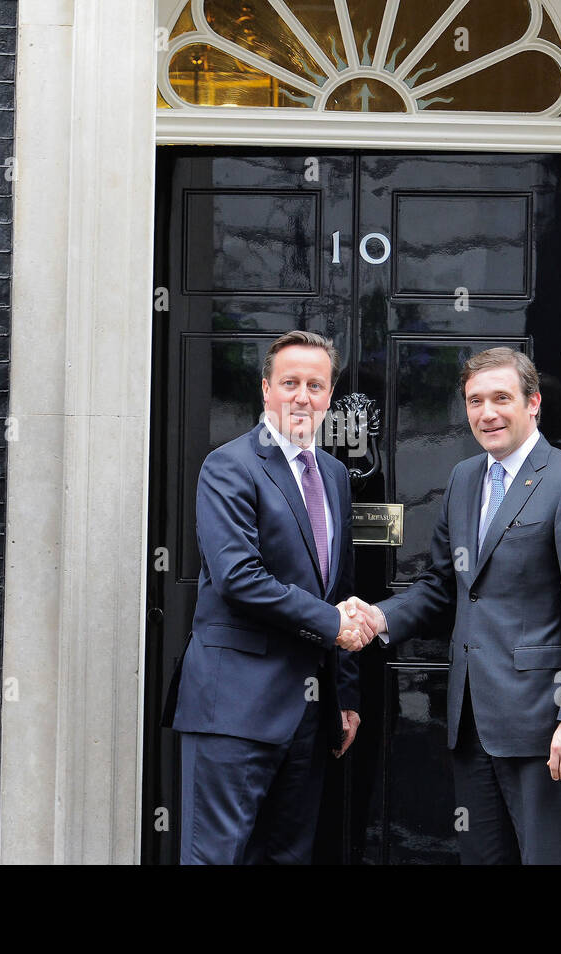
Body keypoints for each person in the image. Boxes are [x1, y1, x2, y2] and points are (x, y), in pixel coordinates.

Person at [345, 348, 561, 864]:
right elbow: (443, 586)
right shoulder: (464, 479)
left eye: (501, 398)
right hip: (471, 722)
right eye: (475, 400)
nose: (487, 413)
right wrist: (381, 618)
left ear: (532, 402)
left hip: (543, 726)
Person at [169, 331, 377, 864]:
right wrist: (333, 622)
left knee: (287, 856)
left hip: (308, 713)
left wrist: (346, 695)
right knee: (216, 856)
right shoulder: (228, 466)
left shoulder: (332, 474)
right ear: (266, 390)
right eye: (290, 383)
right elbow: (240, 577)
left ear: (330, 397)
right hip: (234, 706)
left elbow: (340, 587)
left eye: (315, 385)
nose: (302, 396)